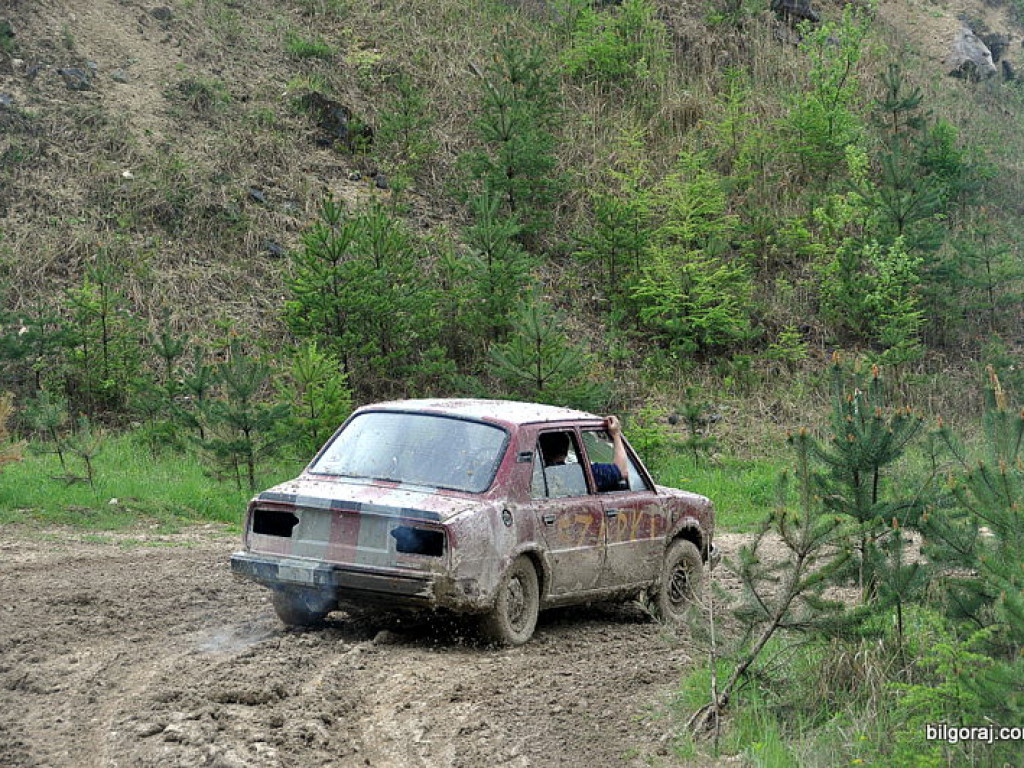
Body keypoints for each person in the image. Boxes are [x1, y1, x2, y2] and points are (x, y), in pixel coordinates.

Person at [538, 416, 629, 492]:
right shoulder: (581, 474)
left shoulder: (536, 478)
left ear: (540, 451)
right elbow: (622, 471)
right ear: (565, 450)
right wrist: (616, 434)